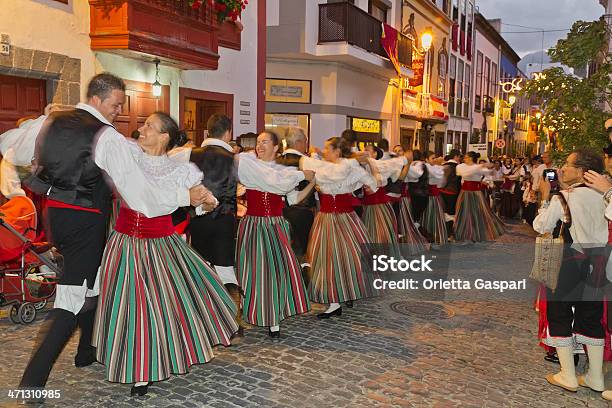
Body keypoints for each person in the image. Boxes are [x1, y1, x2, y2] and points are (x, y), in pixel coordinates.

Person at [19, 73, 210, 393]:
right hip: (86, 223)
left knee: (92, 286)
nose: (119, 110)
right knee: (71, 298)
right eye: (115, 104)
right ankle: (32, 382)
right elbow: (137, 191)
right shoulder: (106, 137)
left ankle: (85, 352)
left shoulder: (51, 122)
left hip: (57, 218)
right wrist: (183, 198)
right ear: (97, 99)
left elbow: (17, 150)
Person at [93, 112, 237, 396]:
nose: (141, 129)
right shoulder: (128, 156)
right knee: (131, 304)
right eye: (143, 124)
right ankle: (137, 369)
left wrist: (206, 201)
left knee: (159, 306)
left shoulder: (180, 169)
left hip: (160, 244)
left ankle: (154, 360)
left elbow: (203, 201)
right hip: (125, 244)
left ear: (165, 137)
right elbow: (144, 195)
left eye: (149, 126)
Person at [535, 149, 609, 394]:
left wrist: (546, 196)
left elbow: (541, 225)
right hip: (599, 261)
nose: (562, 168)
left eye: (567, 164)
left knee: (560, 313)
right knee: (591, 316)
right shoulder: (606, 196)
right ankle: (595, 377)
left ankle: (568, 374)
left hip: (569, 261)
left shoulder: (564, 197)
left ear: (581, 171)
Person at [236, 131, 314, 337]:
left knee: (275, 271)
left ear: (276, 147)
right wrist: (300, 175)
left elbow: (293, 198)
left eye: (265, 142)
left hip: (275, 225)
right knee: (253, 270)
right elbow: (272, 181)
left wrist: (313, 184)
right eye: (258, 142)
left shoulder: (283, 172)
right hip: (253, 225)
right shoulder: (252, 167)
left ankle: (273, 317)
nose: (259, 146)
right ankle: (254, 309)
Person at [301, 137, 380, 318]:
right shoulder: (336, 167)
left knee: (341, 258)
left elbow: (373, 183)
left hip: (339, 219)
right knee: (336, 259)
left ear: (337, 151)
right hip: (334, 218)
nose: (325, 151)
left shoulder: (345, 167)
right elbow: (372, 184)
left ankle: (343, 294)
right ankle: (338, 299)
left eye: (328, 149)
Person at [276, 127, 317, 281]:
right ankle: (301, 283)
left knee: (284, 250)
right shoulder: (306, 162)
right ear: (299, 142)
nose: (306, 143)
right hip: (302, 213)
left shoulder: (276, 161)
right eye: (305, 140)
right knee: (303, 252)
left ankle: (286, 280)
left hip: (279, 212)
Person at [454, 152, 505, 242]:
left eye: (466, 157)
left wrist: (491, 166)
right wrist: (480, 166)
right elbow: (464, 173)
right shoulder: (462, 166)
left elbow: (491, 173)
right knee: (464, 212)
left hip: (475, 193)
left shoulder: (477, 167)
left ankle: (474, 233)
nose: (464, 159)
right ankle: (463, 233)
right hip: (465, 192)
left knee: (476, 212)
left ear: (470, 158)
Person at [421, 152, 447, 245]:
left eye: (435, 158)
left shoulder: (435, 167)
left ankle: (436, 237)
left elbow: (441, 181)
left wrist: (438, 166)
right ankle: (427, 237)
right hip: (428, 195)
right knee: (427, 215)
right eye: (433, 158)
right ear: (427, 159)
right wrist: (439, 165)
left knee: (436, 216)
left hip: (435, 195)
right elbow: (437, 175)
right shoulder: (427, 167)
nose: (435, 160)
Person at [440, 149, 462, 237]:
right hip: (452, 192)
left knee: (443, 212)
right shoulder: (458, 167)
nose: (459, 159)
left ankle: (443, 230)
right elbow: (459, 182)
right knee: (451, 213)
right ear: (456, 156)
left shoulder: (443, 165)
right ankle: (449, 232)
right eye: (459, 157)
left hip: (441, 192)